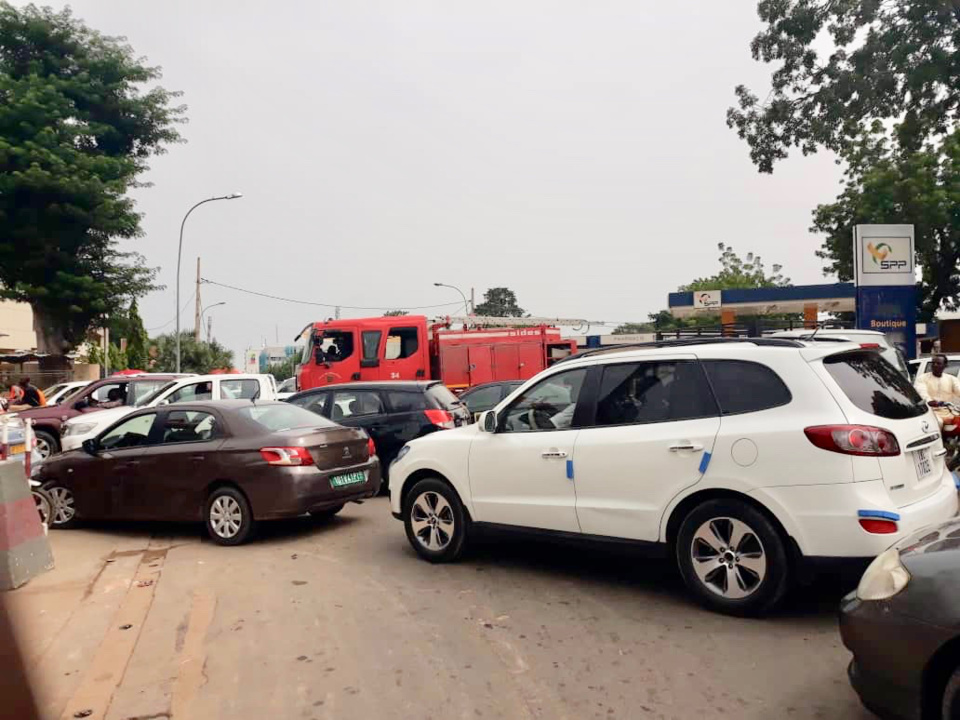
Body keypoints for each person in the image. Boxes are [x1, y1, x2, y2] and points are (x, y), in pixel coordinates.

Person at [915, 354, 960, 425]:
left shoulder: (951, 379)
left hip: (947, 411)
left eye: (938, 363)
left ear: (945, 365)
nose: (935, 365)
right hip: (930, 412)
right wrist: (929, 401)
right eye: (933, 363)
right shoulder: (922, 378)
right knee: (939, 422)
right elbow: (921, 392)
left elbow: (958, 389)